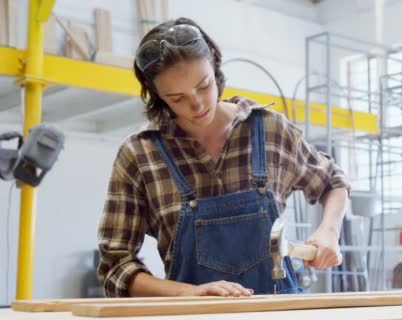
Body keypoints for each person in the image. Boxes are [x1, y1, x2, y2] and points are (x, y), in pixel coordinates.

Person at [97, 17, 350, 298]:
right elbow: (115, 267)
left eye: (203, 85)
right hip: (191, 318)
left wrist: (329, 231)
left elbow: (332, 180)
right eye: (177, 98)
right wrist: (186, 293)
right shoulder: (139, 155)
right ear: (155, 93)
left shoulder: (270, 130)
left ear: (215, 62)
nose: (197, 104)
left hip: (277, 314)